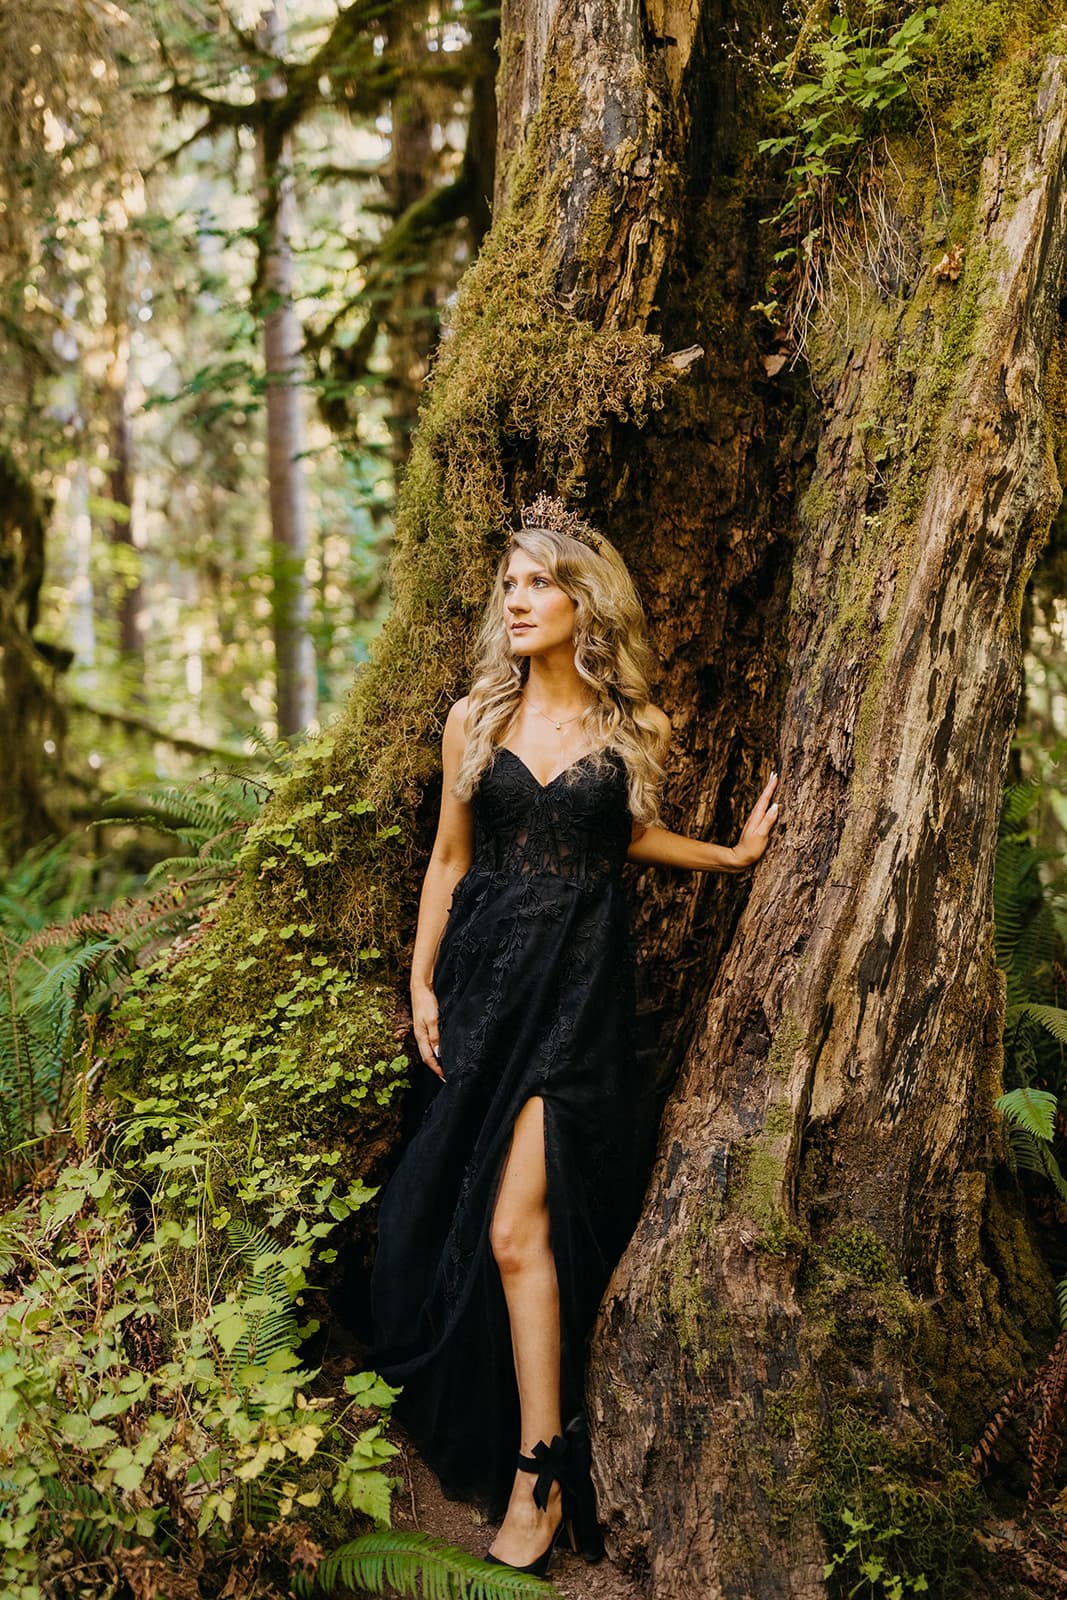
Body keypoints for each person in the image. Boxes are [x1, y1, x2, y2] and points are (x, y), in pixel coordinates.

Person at [365, 495, 779, 1578]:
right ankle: (512, 1439)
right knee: (461, 1222)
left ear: (584, 601)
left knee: (517, 1229)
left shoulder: (637, 729)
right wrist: (420, 979)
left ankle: (537, 1475)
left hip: (578, 996)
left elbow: (624, 838)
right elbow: (450, 857)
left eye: (537, 582)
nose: (515, 599)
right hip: (483, 985)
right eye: (508, 584)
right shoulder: (473, 718)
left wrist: (730, 858)